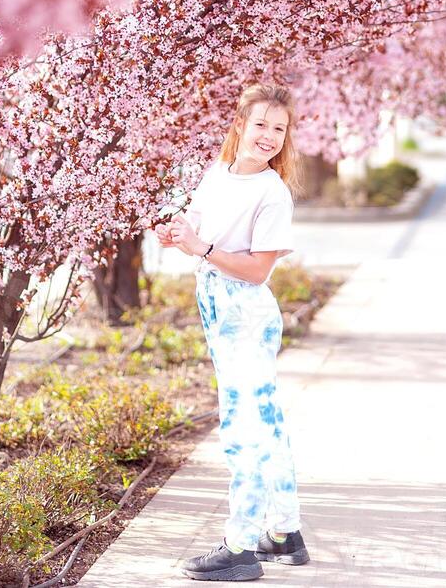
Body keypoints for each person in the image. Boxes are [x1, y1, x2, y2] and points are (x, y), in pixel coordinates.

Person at [154, 82, 310, 582]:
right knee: (266, 422)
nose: (268, 136)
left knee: (244, 428)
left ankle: (241, 545)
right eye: (261, 124)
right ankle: (284, 534)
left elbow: (257, 270)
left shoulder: (272, 192)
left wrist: (199, 247)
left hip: (246, 314)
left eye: (279, 129)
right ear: (240, 123)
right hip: (217, 309)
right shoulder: (217, 173)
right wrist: (176, 234)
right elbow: (196, 227)